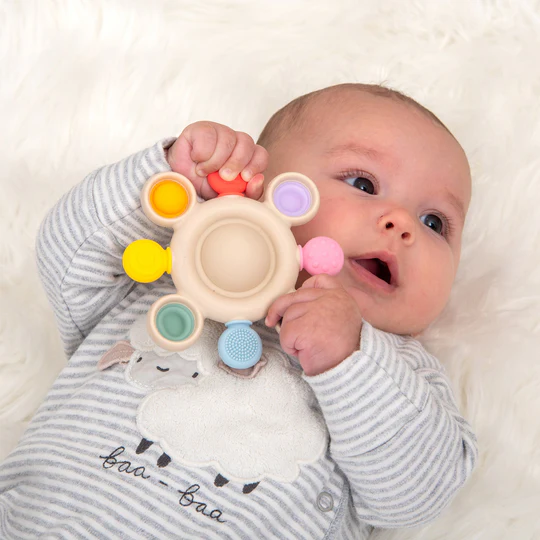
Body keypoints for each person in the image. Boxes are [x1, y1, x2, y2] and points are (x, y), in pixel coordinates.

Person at [0, 83, 478, 539]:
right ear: (266, 190)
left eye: (435, 222)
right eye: (363, 183)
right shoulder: (165, 271)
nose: (402, 224)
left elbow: (417, 495)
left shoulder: (400, 376)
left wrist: (351, 358)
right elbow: (65, 254)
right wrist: (167, 178)